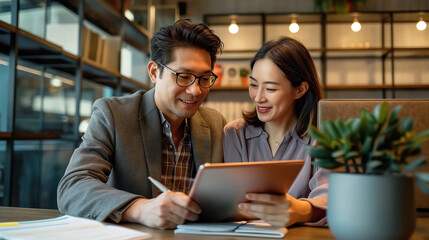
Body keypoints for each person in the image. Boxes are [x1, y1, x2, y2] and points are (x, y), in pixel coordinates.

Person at [57, 19, 226, 229]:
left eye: (204, 78)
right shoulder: (114, 114)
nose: (195, 91)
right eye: (183, 77)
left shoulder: (215, 123)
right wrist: (140, 209)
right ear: (154, 72)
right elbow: (73, 187)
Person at [223, 37, 328, 227]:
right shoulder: (234, 135)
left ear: (300, 90)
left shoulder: (322, 140)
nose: (258, 97)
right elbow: (232, 203)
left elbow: (331, 199)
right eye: (253, 85)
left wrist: (301, 211)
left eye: (270, 88)